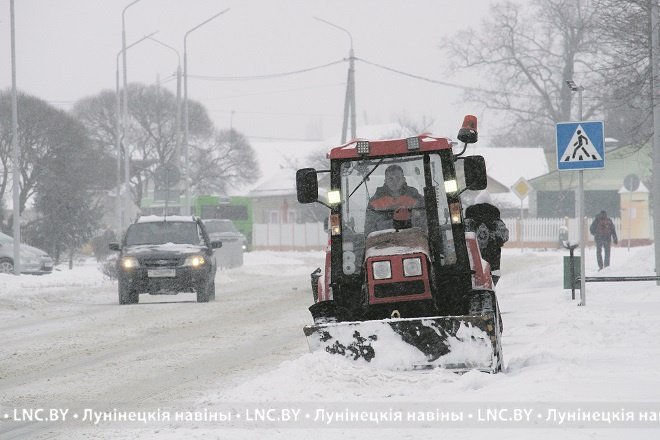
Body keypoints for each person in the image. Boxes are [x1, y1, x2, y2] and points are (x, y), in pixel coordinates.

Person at [363, 164, 425, 236]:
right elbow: (369, 231)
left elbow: (425, 225)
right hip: (384, 243)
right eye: (390, 179)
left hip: (413, 241)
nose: (394, 182)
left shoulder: (416, 198)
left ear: (403, 179)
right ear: (385, 181)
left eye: (398, 178)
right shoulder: (375, 202)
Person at [464, 190, 509, 285]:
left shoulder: (468, 220)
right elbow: (504, 237)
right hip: (493, 263)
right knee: (490, 286)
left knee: (473, 285)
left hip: (471, 262)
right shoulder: (496, 220)